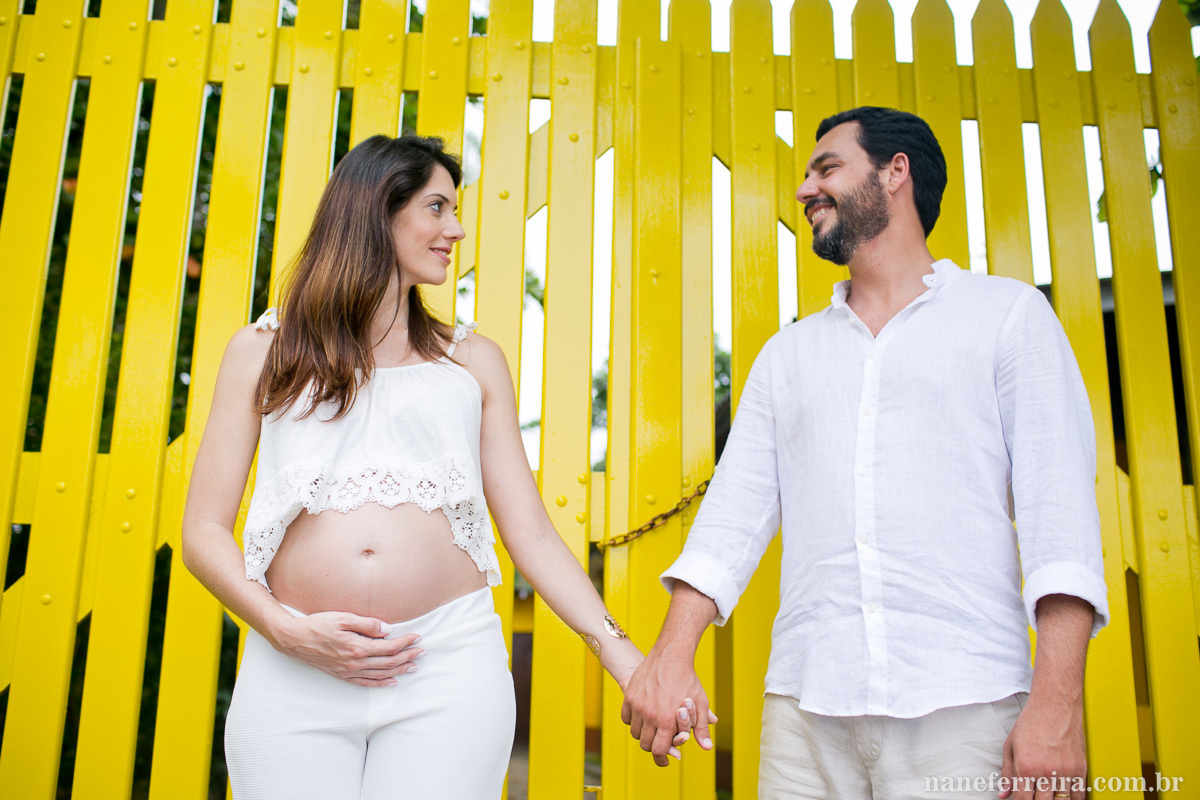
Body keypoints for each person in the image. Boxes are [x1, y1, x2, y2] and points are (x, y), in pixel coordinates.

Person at [621, 107, 1109, 800]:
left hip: (964, 708)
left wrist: (1058, 708)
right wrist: (671, 655)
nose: (804, 189)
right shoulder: (788, 356)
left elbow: (1059, 520)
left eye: (826, 168)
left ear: (895, 172)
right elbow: (730, 521)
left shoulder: (1009, 316)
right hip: (804, 721)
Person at [181, 134, 656, 799]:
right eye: (437, 207)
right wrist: (284, 631)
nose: (455, 229)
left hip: (447, 667)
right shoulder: (261, 351)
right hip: (293, 668)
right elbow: (202, 530)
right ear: (380, 209)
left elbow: (532, 534)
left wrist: (624, 656)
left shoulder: (472, 363)